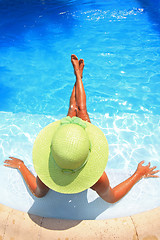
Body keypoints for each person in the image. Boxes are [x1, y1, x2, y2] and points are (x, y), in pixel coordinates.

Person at [4, 54, 159, 203]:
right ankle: (78, 76)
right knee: (80, 110)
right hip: (78, 142)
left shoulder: (46, 175)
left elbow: (39, 194)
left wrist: (21, 166)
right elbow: (111, 197)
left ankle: (78, 76)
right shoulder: (98, 179)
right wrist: (138, 174)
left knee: (74, 109)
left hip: (70, 139)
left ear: (53, 152)